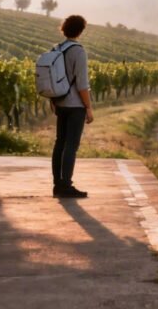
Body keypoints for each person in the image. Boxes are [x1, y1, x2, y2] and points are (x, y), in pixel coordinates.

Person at [51, 14, 93, 198]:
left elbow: (51, 78)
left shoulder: (56, 48)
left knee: (60, 142)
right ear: (81, 30)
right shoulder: (78, 51)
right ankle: (66, 185)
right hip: (75, 105)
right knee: (71, 145)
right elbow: (82, 84)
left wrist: (52, 101)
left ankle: (57, 184)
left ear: (64, 28)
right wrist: (89, 107)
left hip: (59, 102)